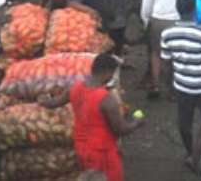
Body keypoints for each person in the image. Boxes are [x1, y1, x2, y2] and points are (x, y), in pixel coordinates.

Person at [44, 53, 143, 181]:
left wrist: (42, 100)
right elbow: (120, 129)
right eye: (112, 74)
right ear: (108, 72)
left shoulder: (75, 87)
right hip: (102, 152)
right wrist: (136, 123)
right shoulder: (106, 99)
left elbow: (54, 103)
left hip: (81, 147)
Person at [161, 0, 201, 167]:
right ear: (195, 9)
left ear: (177, 10)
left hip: (182, 86)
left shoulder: (168, 33)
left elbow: (167, 64)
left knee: (184, 123)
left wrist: (169, 86)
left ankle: (190, 152)